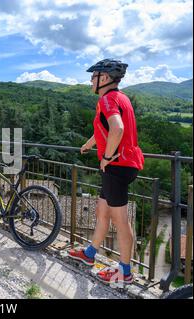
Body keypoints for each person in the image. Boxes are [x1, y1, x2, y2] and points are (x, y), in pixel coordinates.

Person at [68, 59, 144, 285]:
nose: (91, 80)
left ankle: (125, 272)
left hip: (117, 166)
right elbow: (107, 128)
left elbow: (118, 129)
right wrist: (90, 144)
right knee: (102, 211)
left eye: (94, 76)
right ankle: (90, 254)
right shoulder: (121, 98)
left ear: (105, 78)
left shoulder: (108, 99)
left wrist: (107, 156)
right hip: (124, 164)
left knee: (121, 221)